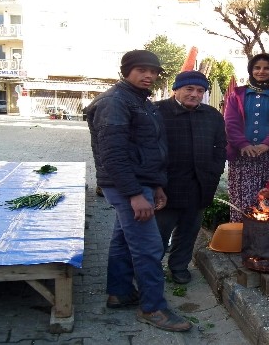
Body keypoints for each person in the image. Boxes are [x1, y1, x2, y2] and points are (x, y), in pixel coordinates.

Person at [86, 49, 191, 332]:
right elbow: (113, 154)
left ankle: (119, 292)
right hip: (125, 186)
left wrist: (155, 185)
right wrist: (134, 194)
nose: (149, 75)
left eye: (153, 71)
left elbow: (148, 148)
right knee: (149, 247)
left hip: (140, 182)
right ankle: (153, 307)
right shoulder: (115, 102)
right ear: (126, 71)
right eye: (142, 70)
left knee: (123, 240)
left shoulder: (140, 101)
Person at [154, 71, 227, 284]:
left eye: (200, 91)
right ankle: (151, 272)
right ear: (175, 89)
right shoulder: (157, 111)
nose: (194, 94)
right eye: (189, 89)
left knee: (188, 231)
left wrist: (214, 173)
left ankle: (178, 267)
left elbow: (220, 147)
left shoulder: (212, 115)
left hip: (200, 185)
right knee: (157, 234)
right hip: (166, 187)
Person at [224, 53, 269, 222]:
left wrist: (266, 144)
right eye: (257, 68)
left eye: (267, 68)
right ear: (251, 70)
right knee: (242, 201)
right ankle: (241, 239)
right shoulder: (237, 95)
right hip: (242, 158)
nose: (261, 71)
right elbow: (230, 123)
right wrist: (243, 144)